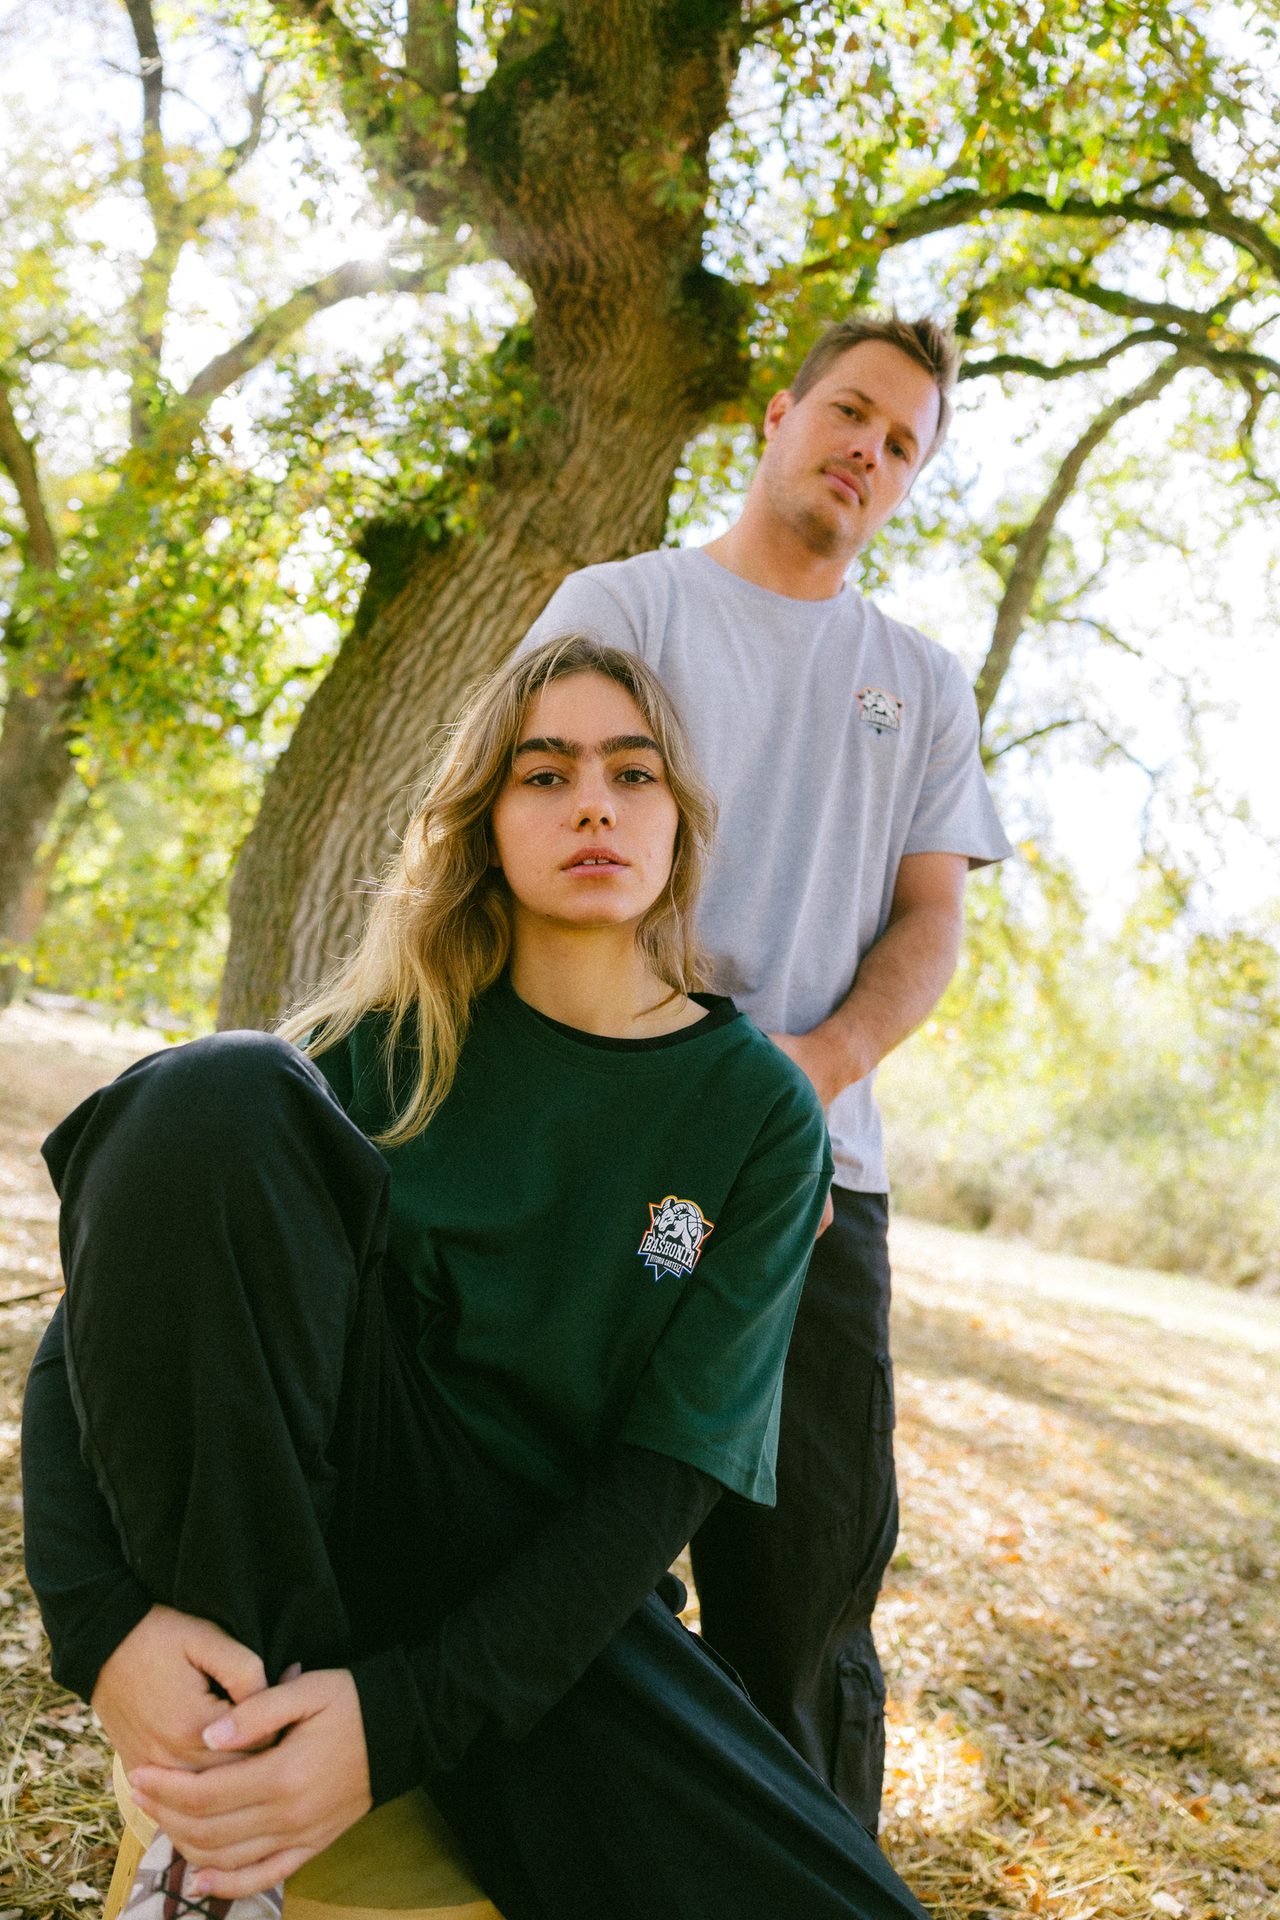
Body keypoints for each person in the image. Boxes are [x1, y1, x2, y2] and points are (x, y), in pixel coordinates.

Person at [22, 636, 933, 1920]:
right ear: (484, 823)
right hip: (308, 1523)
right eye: (542, 774)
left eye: (632, 774)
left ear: (679, 820)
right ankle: (215, 1861)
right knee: (207, 1088)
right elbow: (100, 1336)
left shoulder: (757, 1115)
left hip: (550, 1600)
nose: (593, 805)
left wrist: (392, 1726)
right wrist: (101, 1625)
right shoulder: (363, 1049)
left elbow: (657, 1488)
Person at [522, 315, 1013, 1834]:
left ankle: (801, 1868)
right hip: (606, 1157)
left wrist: (818, 1067)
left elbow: (932, 917)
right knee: (562, 1550)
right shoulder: (624, 606)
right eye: (849, 413)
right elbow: (528, 823)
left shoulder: (918, 683)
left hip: (813, 1185)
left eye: (901, 442)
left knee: (801, 1599)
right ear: (781, 413)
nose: (867, 450)